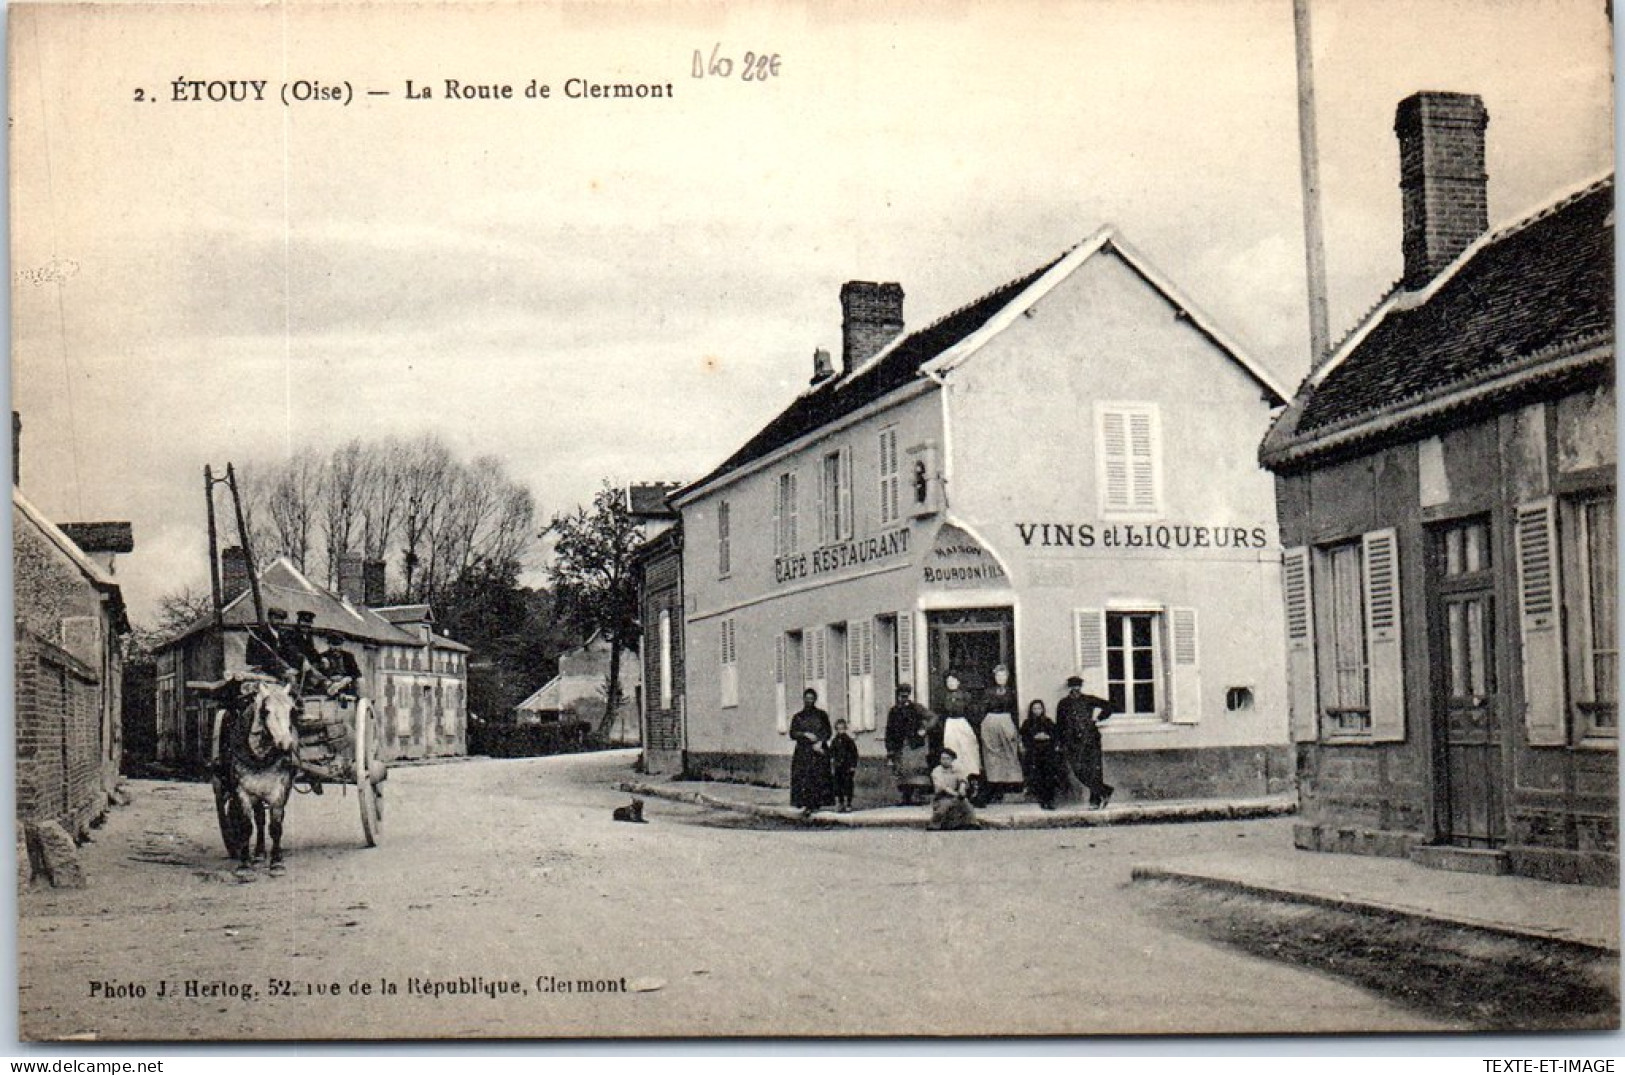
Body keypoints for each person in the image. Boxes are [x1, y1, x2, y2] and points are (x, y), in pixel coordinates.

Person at [1058, 674, 1115, 808]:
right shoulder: (1063, 703)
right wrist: (1060, 742)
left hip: (1090, 738)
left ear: (1081, 687)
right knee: (1078, 770)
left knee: (1094, 770)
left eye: (1078, 686)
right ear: (1069, 688)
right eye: (1073, 686)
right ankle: (1105, 791)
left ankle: (1095, 801)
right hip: (1072, 741)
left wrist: (1098, 719)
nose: (1076, 689)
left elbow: (1109, 706)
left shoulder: (1089, 700)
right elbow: (1059, 724)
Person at [883, 683, 938, 805]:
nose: (904, 699)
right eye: (901, 696)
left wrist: (924, 729)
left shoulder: (917, 708)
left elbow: (933, 717)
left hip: (914, 745)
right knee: (902, 772)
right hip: (900, 746)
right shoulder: (894, 711)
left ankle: (917, 796)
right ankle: (905, 797)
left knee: (916, 771)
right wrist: (889, 748)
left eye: (906, 696)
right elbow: (889, 730)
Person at [978, 664, 1023, 804]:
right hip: (991, 720)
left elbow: (1015, 710)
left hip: (1006, 720)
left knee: (1009, 752)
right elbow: (982, 708)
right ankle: (993, 784)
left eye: (1003, 675)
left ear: (1007, 677)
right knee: (992, 754)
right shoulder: (988, 692)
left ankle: (1009, 785)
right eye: (998, 675)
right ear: (994, 677)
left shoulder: (1011, 692)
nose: (1001, 678)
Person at [939, 672, 984, 803]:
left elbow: (972, 712)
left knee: (969, 754)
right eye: (948, 681)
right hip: (950, 725)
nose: (951, 683)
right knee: (952, 752)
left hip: (963, 724)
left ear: (958, 682)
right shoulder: (944, 696)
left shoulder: (965, 696)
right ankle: (955, 787)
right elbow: (941, 713)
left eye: (953, 681)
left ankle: (973, 787)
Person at [788, 688, 833, 817]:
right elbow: (792, 733)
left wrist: (820, 742)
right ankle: (806, 804)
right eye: (807, 698)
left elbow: (828, 731)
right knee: (804, 778)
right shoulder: (798, 717)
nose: (809, 701)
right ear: (804, 699)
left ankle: (818, 803)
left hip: (818, 751)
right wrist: (804, 734)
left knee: (818, 777)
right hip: (804, 752)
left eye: (812, 698)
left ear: (815, 700)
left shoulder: (821, 715)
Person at [1020, 698, 1065, 810]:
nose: (1037, 710)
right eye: (1034, 708)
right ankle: (1041, 800)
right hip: (1034, 753)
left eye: (1039, 708)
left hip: (1047, 753)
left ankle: (1049, 800)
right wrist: (1034, 738)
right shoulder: (1027, 723)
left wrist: (1048, 737)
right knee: (1037, 777)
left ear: (1043, 709)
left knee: (1049, 777)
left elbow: (1055, 735)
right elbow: (1024, 737)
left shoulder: (1048, 721)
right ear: (1031, 710)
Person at [927, 748, 978, 831]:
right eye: (943, 758)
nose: (945, 761)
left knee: (967, 805)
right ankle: (934, 826)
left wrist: (962, 788)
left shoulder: (956, 769)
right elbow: (942, 787)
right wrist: (955, 794)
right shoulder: (937, 771)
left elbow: (962, 779)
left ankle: (972, 823)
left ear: (952, 760)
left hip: (956, 795)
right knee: (944, 807)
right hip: (942, 797)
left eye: (947, 758)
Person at [828, 719, 859, 813]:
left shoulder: (849, 741)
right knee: (838, 785)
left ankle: (848, 803)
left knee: (848, 785)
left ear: (845, 729)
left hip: (847, 766)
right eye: (838, 729)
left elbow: (854, 754)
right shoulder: (835, 741)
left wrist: (853, 765)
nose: (840, 731)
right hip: (838, 766)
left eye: (842, 729)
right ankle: (841, 803)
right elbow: (831, 752)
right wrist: (832, 761)